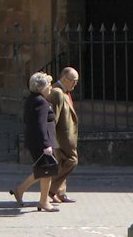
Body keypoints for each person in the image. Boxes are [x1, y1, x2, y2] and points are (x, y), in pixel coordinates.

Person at [11, 71, 59, 212]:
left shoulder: (33, 99)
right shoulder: (41, 102)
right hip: (41, 142)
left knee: (44, 170)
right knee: (47, 171)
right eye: (48, 85)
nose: (50, 87)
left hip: (37, 140)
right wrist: (46, 145)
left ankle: (21, 191)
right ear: (41, 87)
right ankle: (42, 201)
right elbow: (40, 125)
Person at [48, 66, 80, 203]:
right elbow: (53, 118)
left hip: (64, 137)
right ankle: (50, 190)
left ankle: (60, 193)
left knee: (62, 163)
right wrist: (52, 139)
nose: (75, 84)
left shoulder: (64, 91)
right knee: (72, 161)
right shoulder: (57, 93)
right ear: (64, 79)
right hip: (62, 137)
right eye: (73, 80)